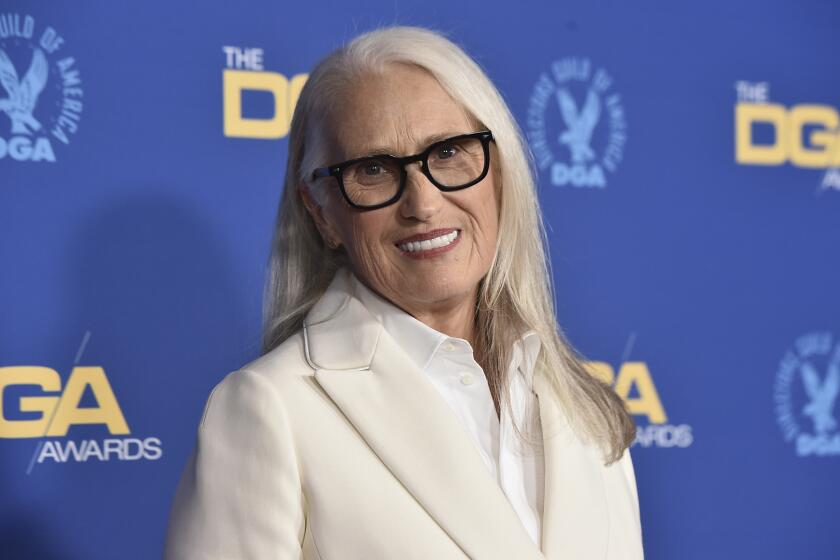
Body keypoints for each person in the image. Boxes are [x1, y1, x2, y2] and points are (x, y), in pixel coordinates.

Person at [164, 25, 643, 560]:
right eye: (373, 169)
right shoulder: (268, 410)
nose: (424, 203)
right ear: (321, 212)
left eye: (448, 153)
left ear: (500, 173)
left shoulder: (580, 403)